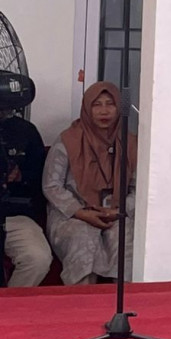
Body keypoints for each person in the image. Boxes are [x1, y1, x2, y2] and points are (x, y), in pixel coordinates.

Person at [42, 81, 134, 285]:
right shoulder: (68, 140)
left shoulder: (130, 143)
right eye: (96, 104)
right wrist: (82, 212)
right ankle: (82, 307)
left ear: (119, 107)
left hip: (118, 213)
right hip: (72, 215)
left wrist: (120, 210)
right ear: (86, 108)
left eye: (110, 104)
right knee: (83, 237)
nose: (104, 111)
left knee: (125, 237)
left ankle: (124, 306)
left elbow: (140, 189)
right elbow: (51, 186)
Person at [1, 73, 53, 288]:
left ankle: (10, 310)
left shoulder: (26, 131)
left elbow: (42, 180)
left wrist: (20, 177)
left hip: (14, 215)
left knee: (37, 259)